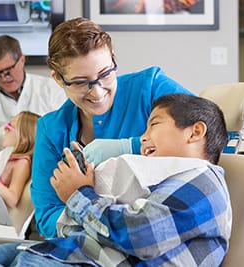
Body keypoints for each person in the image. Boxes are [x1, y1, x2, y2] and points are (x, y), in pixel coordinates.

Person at [0, 93, 232, 266]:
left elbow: (142, 234)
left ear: (195, 132)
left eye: (153, 125)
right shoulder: (160, 179)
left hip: (80, 261)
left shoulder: (203, 182)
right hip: (69, 253)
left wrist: (78, 194)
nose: (142, 138)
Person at [31, 17, 195, 239]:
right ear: (59, 79)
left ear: (114, 59)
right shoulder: (51, 130)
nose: (97, 92)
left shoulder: (150, 87)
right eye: (80, 82)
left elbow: (206, 133)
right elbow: (47, 216)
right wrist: (96, 228)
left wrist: (130, 146)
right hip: (85, 250)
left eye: (105, 74)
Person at [0, 34, 67, 165]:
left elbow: (64, 136)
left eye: (8, 71)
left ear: (21, 60)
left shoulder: (51, 90)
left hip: (45, 168)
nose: (4, 78)